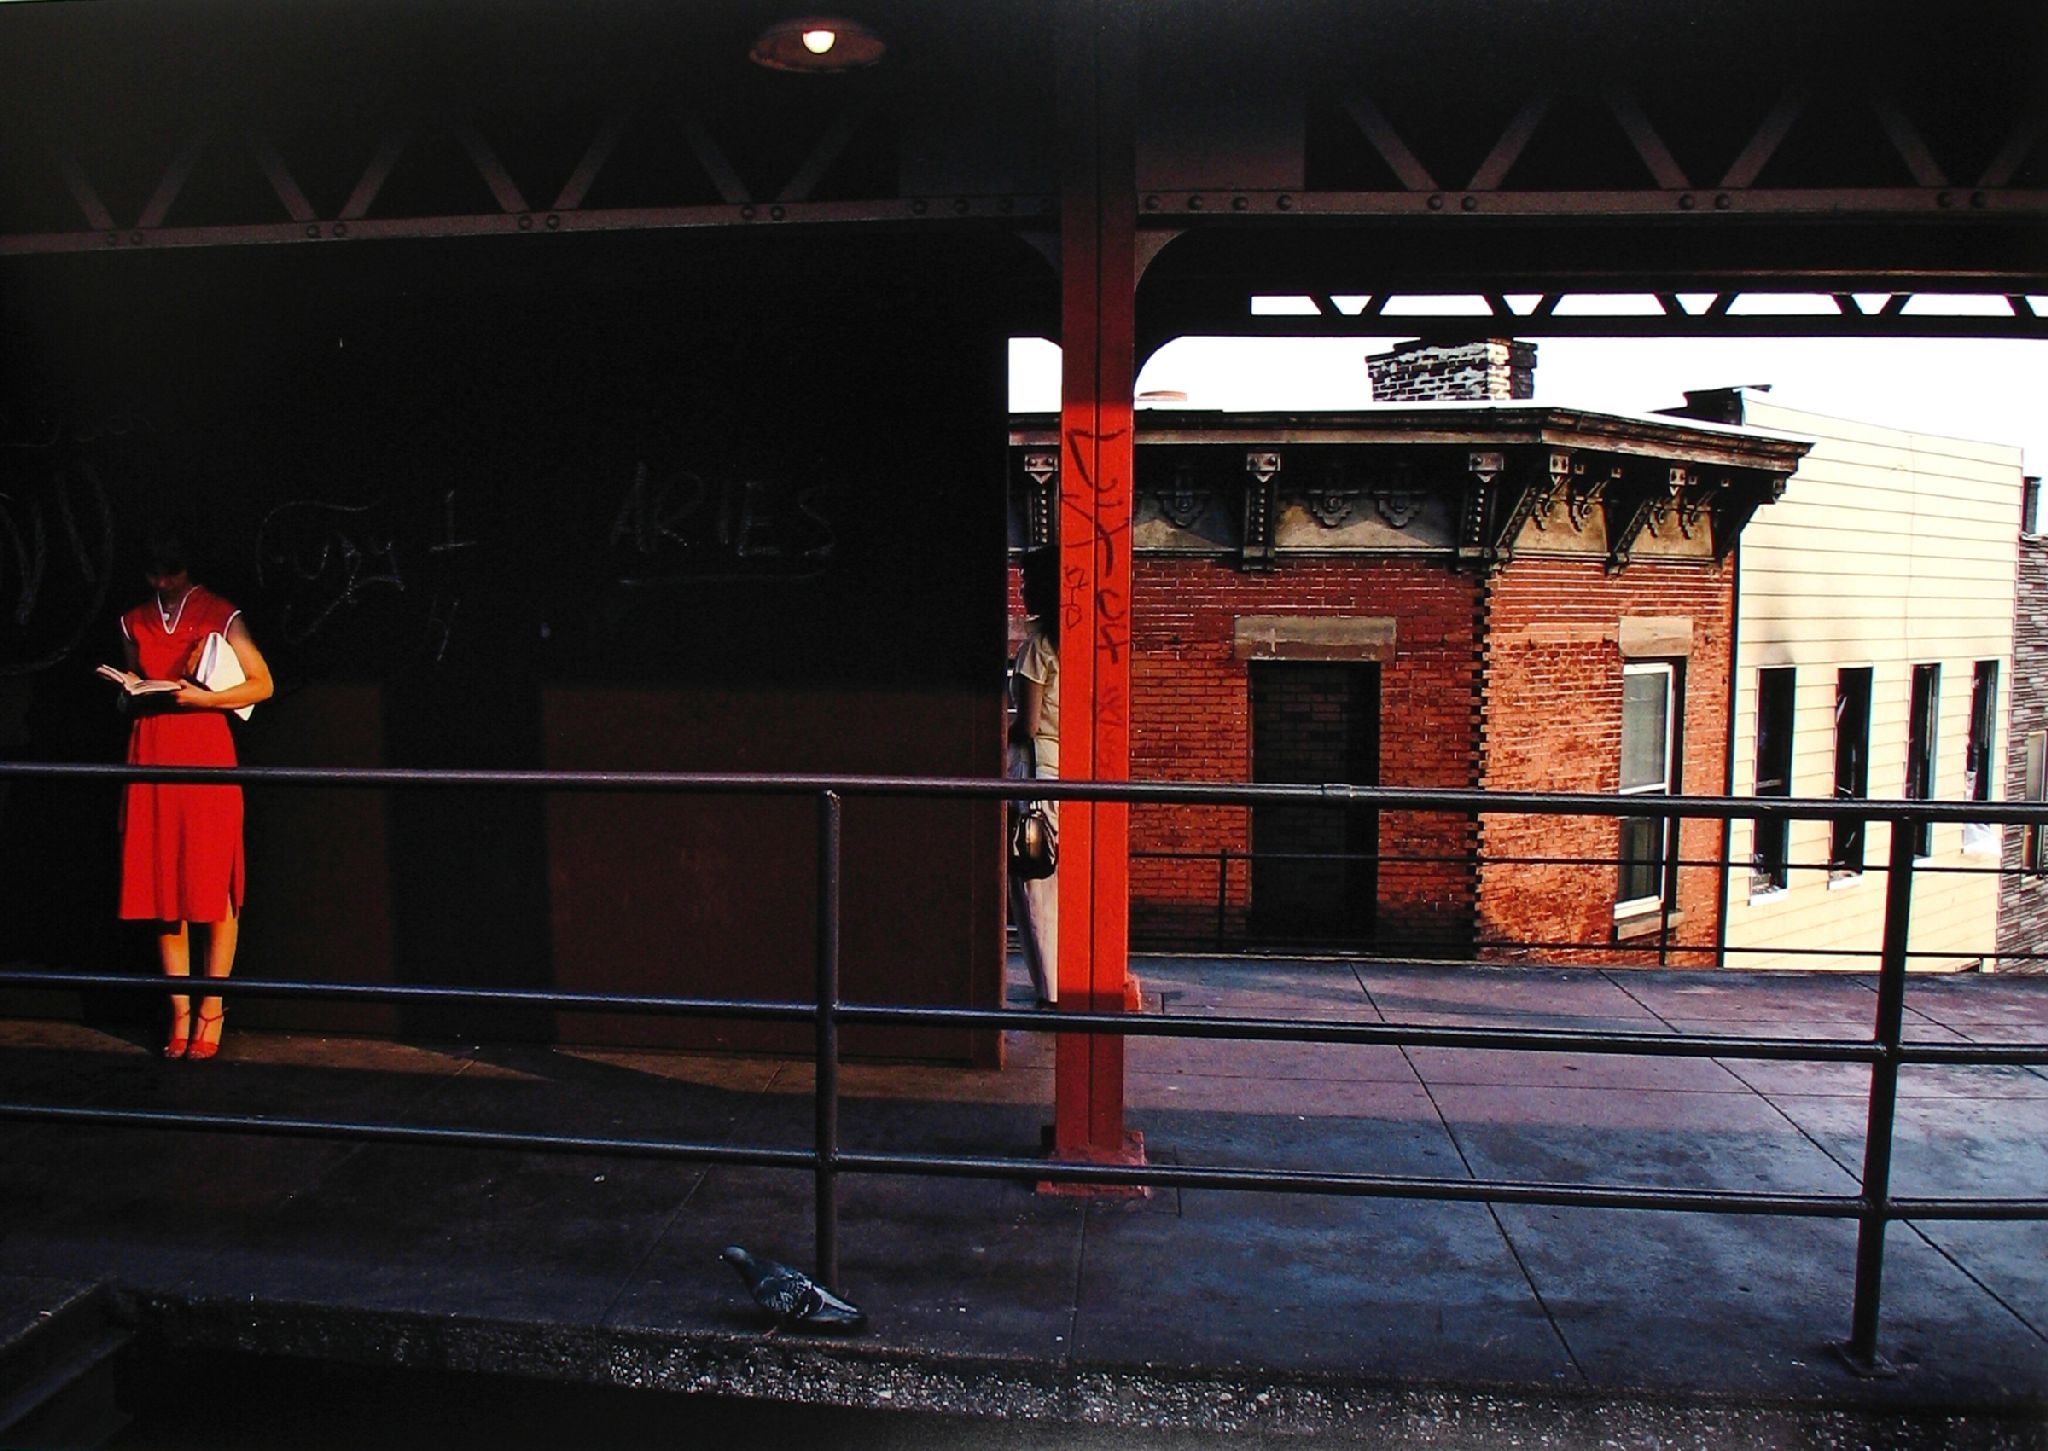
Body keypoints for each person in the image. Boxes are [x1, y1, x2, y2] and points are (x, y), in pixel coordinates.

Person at [113, 533, 274, 1060]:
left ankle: (213, 1009)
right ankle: (179, 1011)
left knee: (213, 883)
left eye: (172, 573)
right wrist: (130, 694)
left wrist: (204, 699)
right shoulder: (134, 620)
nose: (164, 584)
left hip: (204, 749)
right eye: (155, 575)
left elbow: (261, 684)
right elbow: (134, 680)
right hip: (152, 751)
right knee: (164, 886)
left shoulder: (218, 613)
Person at [1008, 547, 1059, 1007]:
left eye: (1026, 582)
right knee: (1058, 876)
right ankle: (1064, 982)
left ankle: (1049, 987)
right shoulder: (1071, 643)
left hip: (1035, 769)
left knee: (1031, 878)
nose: (1021, 590)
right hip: (1068, 769)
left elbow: (1027, 723)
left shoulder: (1037, 647)